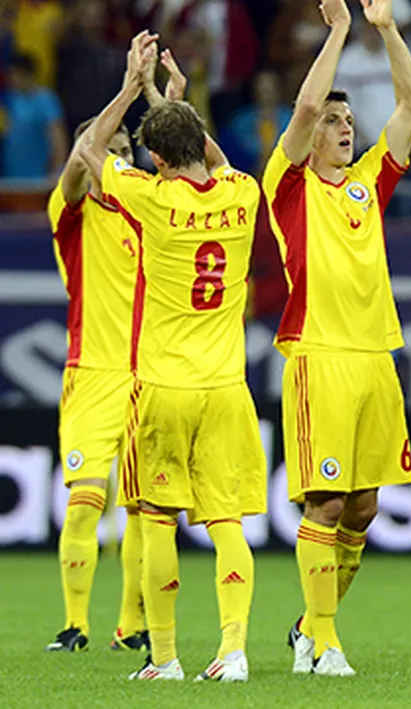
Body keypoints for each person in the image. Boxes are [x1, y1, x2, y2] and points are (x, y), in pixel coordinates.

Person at [79, 31, 268, 683]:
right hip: (226, 387)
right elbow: (207, 156)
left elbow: (88, 150)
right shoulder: (243, 193)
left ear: (155, 157)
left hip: (161, 385)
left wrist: (135, 87)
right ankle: (235, 650)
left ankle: (164, 657)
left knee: (156, 519)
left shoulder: (150, 198)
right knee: (227, 521)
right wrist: (177, 107)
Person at [261, 0, 411, 677]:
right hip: (319, 356)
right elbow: (300, 111)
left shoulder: (367, 185)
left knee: (363, 506)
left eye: (349, 120)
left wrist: (385, 30)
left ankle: (309, 625)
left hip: (374, 358)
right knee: (324, 501)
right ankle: (325, 643)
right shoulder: (289, 189)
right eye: (335, 120)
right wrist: (337, 32)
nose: (344, 128)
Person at [44, 43, 188, 657]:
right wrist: (131, 87)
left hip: (149, 376)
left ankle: (129, 626)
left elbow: (181, 164)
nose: (115, 161)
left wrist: (167, 104)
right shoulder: (72, 213)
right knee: (84, 503)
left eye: (126, 153)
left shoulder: (150, 210)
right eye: (108, 152)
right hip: (93, 376)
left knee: (143, 507)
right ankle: (74, 624)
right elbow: (83, 156)